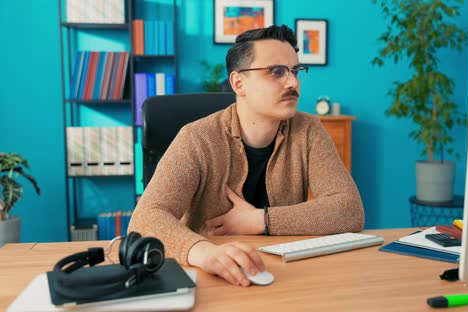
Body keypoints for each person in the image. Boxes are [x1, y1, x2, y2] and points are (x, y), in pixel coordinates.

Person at [128, 25, 364, 287]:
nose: (292, 82)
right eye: (276, 71)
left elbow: (349, 209)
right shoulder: (196, 138)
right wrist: (204, 252)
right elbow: (145, 218)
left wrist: (259, 220)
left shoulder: (308, 130)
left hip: (285, 275)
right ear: (238, 83)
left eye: (296, 71)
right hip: (211, 276)